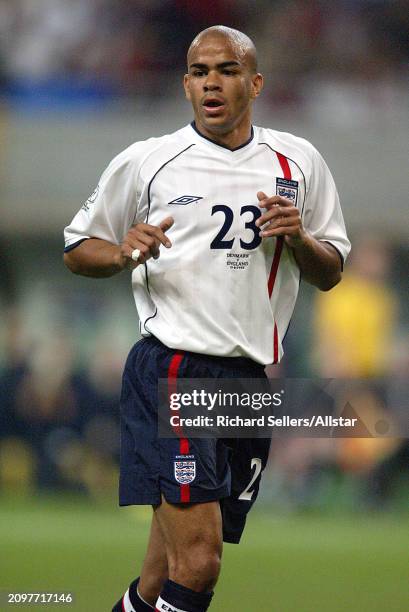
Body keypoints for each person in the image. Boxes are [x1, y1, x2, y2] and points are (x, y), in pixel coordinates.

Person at [64, 25, 350, 612]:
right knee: (198, 565)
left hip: (247, 380)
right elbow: (76, 248)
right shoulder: (149, 161)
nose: (210, 82)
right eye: (199, 72)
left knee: (159, 576)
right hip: (175, 366)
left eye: (225, 70)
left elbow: (331, 270)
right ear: (185, 84)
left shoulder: (298, 161)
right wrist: (120, 252)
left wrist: (300, 239)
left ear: (255, 82)